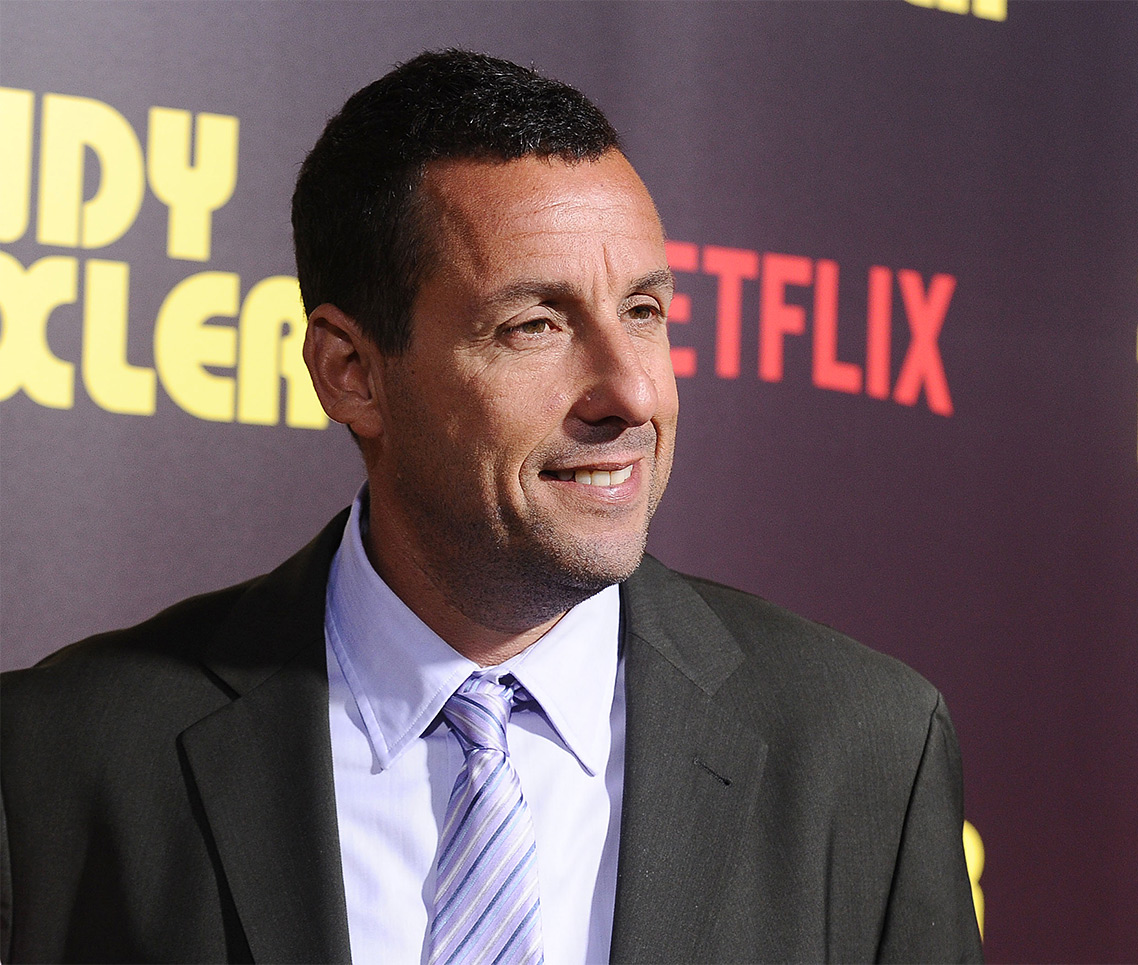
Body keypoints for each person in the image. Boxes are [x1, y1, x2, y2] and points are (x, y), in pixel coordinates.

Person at [0, 50, 983, 964]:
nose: (631, 392)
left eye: (644, 312)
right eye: (536, 324)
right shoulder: (61, 758)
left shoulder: (865, 748)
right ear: (351, 372)